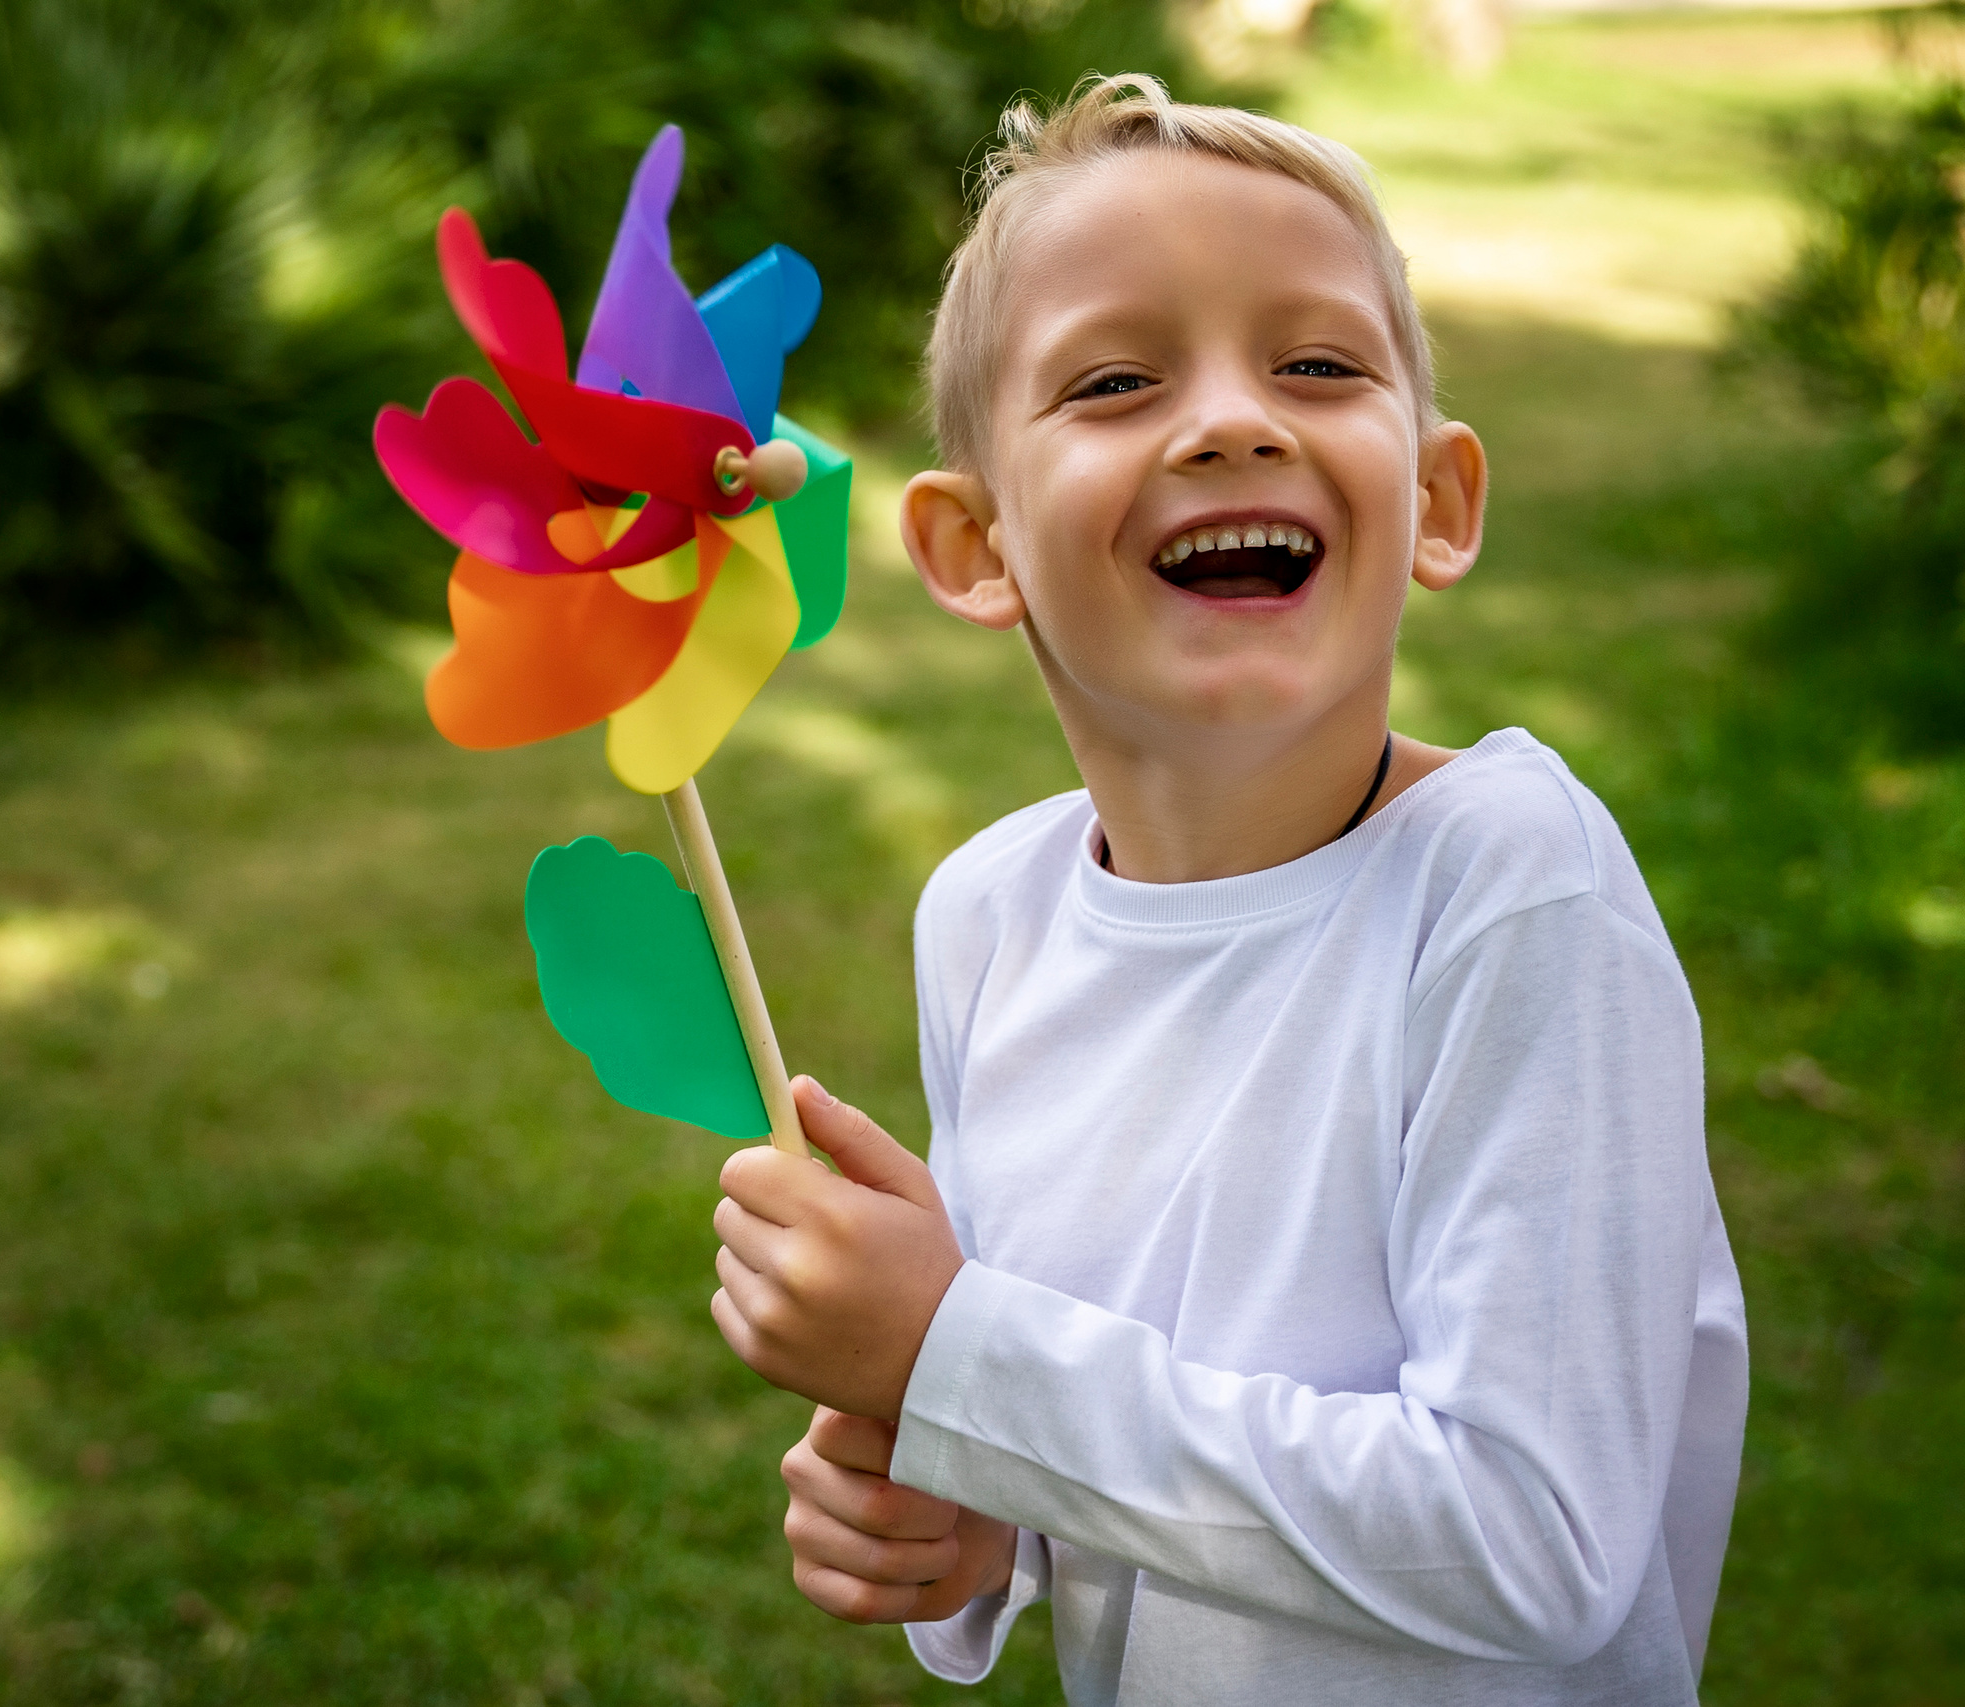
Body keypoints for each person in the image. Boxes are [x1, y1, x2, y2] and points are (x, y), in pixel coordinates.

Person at [707, 74, 1747, 1705]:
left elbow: (1533, 1542)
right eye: (1116, 380)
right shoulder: (986, 920)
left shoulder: (1512, 892)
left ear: (1440, 499)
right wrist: (975, 1522)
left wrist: (956, 1358)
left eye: (1318, 364)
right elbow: (1101, 1436)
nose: (1232, 420)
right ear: (974, 547)